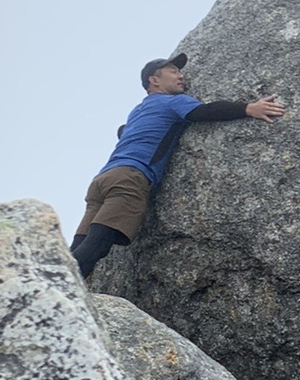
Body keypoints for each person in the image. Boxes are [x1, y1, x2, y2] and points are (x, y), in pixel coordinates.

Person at [70, 52, 284, 279]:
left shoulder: (138, 110)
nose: (181, 76)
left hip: (102, 180)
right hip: (130, 177)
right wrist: (248, 109)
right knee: (98, 244)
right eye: (173, 71)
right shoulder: (172, 102)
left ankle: (54, 279)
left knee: (78, 246)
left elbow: (122, 131)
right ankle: (57, 286)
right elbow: (204, 112)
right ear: (154, 80)